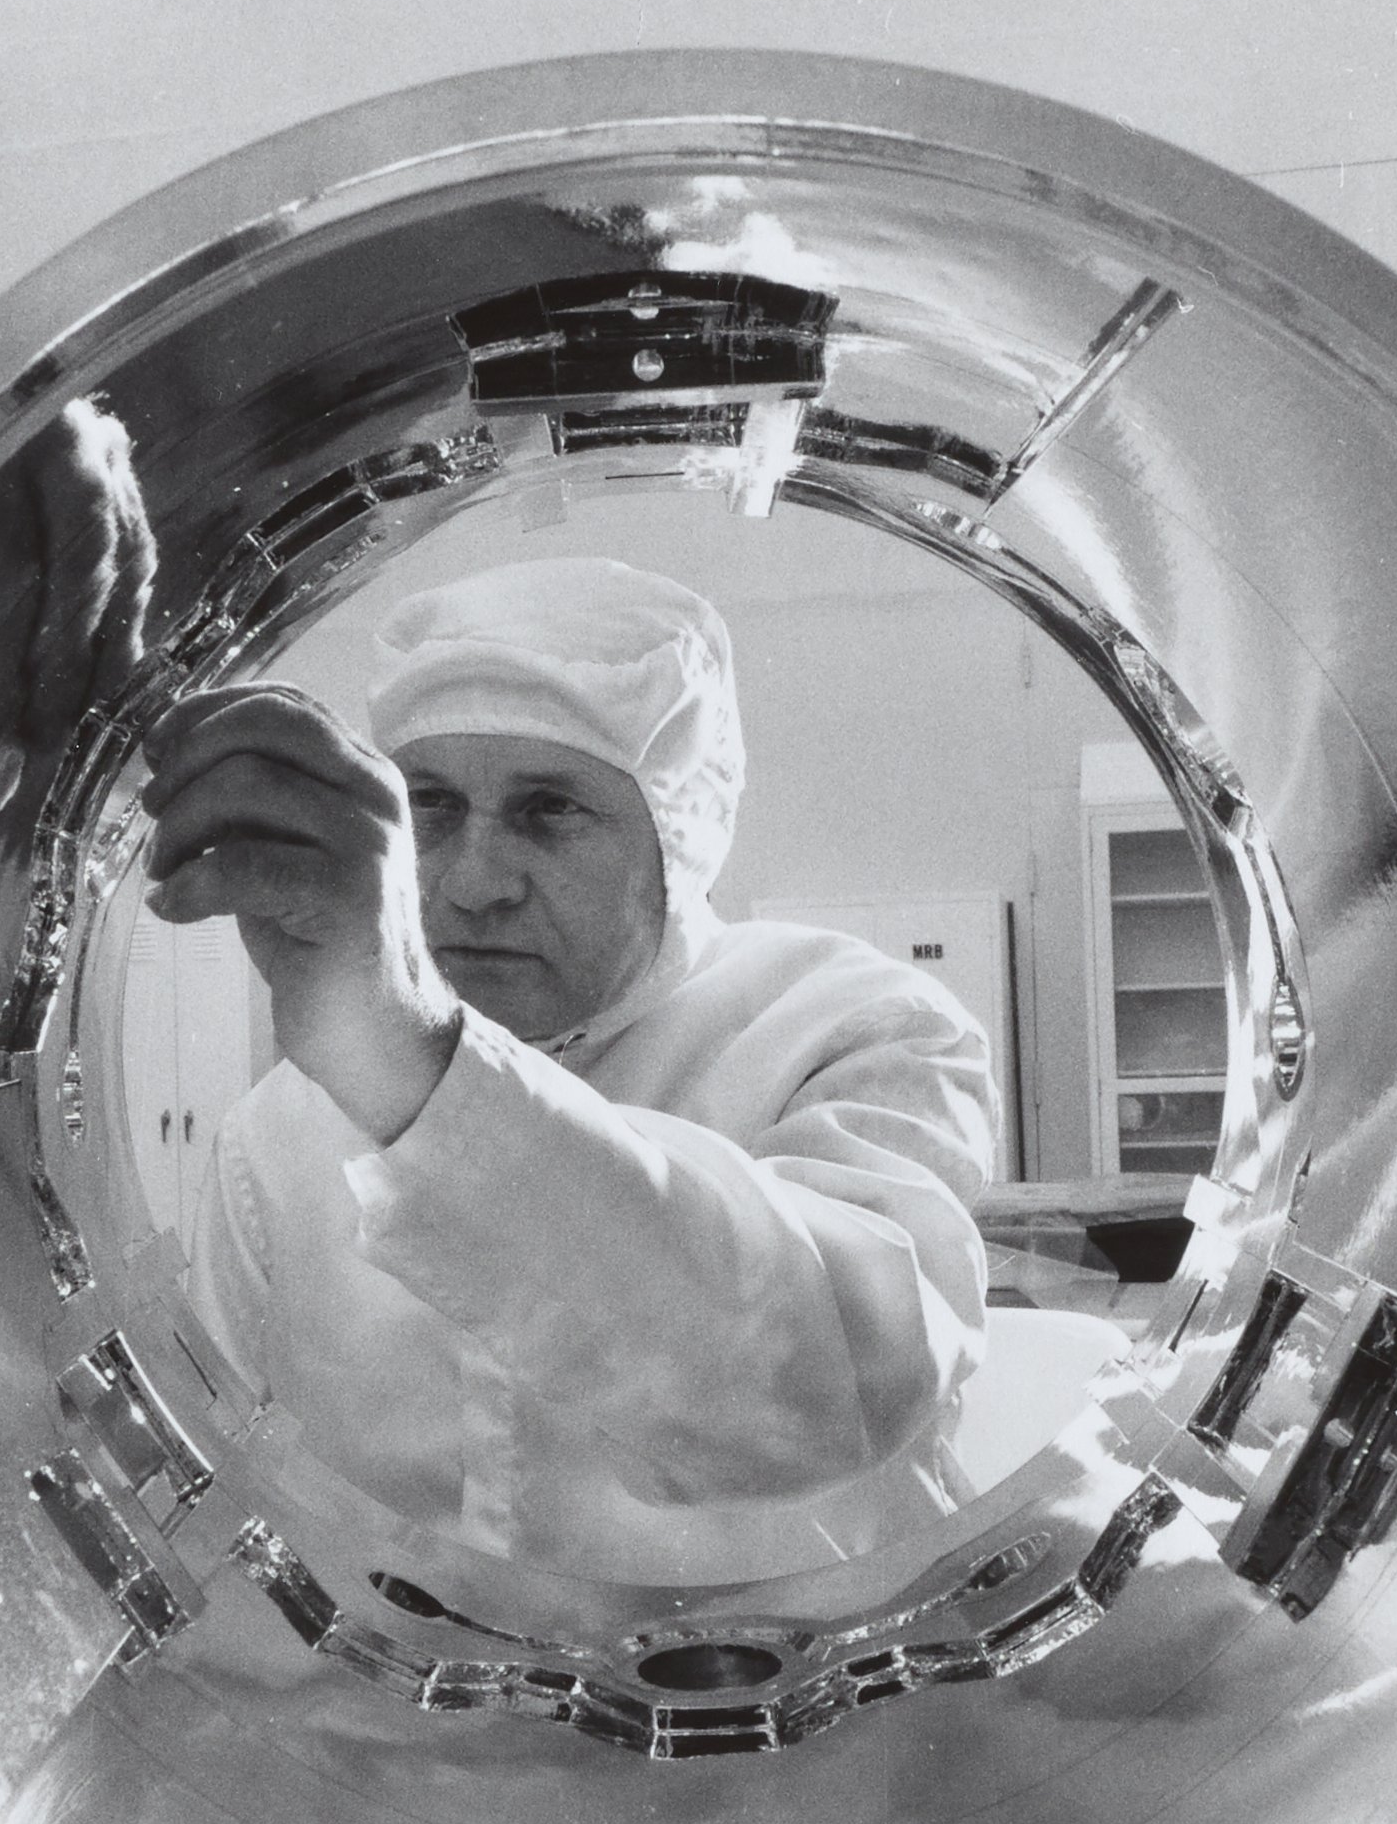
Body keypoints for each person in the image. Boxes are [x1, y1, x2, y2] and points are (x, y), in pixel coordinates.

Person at [138, 557, 1001, 1581]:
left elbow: (820, 1391)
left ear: (678, 838)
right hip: (402, 1683)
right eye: (431, 806)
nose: (475, 884)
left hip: (809, 1661)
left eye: (549, 809)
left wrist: (425, 1071)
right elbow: (237, 1491)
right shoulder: (278, 1132)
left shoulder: (860, 1032)